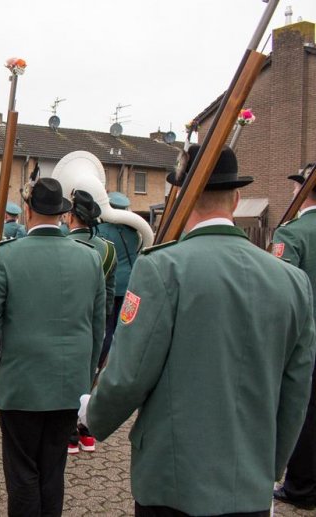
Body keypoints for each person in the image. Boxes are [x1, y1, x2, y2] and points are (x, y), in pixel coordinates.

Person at [82, 146, 316, 517]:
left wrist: (92, 416)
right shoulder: (293, 281)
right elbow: (296, 389)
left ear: (180, 197)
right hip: (250, 484)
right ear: (236, 199)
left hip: (173, 484)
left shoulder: (161, 267)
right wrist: (269, 466)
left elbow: (129, 375)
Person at [0, 178, 104, 516]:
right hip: (69, 386)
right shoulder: (90, 258)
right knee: (53, 471)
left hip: (22, 384)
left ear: (28, 210)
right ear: (62, 214)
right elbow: (97, 328)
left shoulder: (5, 255)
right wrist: (85, 377)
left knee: (22, 473)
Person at [272, 161, 316, 511]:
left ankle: (301, 486)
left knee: (303, 411)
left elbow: (280, 292)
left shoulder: (292, 233)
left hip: (306, 338)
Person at [65, 189, 115, 454]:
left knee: (66, 379)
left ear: (71, 216)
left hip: (66, 321)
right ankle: (87, 433)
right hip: (95, 322)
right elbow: (109, 295)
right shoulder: (108, 249)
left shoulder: (63, 244)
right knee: (90, 375)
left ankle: (70, 434)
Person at [96, 191, 141, 368]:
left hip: (110, 284)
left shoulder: (102, 230)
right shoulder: (134, 233)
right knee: (123, 327)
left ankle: (103, 364)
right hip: (129, 285)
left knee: (107, 328)